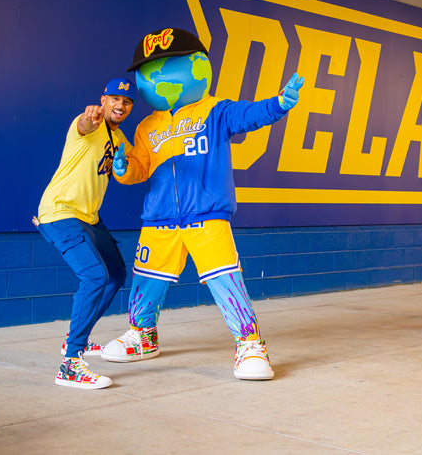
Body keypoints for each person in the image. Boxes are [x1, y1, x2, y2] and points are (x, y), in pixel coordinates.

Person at [101, 27, 303, 380]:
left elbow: (249, 115)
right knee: (146, 280)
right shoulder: (147, 126)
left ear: (197, 65)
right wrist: (123, 167)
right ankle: (143, 335)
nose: (158, 78)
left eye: (167, 67)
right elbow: (139, 169)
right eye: (150, 73)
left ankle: (250, 344)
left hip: (206, 215)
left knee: (225, 279)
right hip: (159, 218)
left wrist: (278, 104)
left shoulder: (215, 111)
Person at [34, 78, 136, 389]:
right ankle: (71, 364)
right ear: (104, 100)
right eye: (115, 99)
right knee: (94, 276)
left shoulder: (119, 138)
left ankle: (73, 339)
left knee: (116, 274)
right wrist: (88, 117)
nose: (120, 105)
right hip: (62, 212)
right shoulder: (88, 124)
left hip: (88, 218)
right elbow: (83, 124)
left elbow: (139, 163)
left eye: (127, 101)